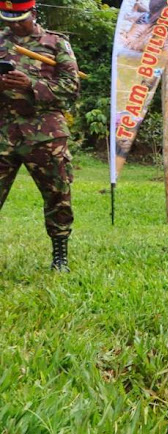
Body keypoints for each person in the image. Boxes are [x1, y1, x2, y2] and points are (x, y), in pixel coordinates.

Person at [0, 0, 80, 272]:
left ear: (33, 13)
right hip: (3, 132)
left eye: (19, 18)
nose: (13, 24)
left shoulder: (56, 44)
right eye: (8, 19)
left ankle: (60, 257)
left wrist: (31, 84)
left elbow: (71, 87)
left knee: (58, 196)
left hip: (45, 135)